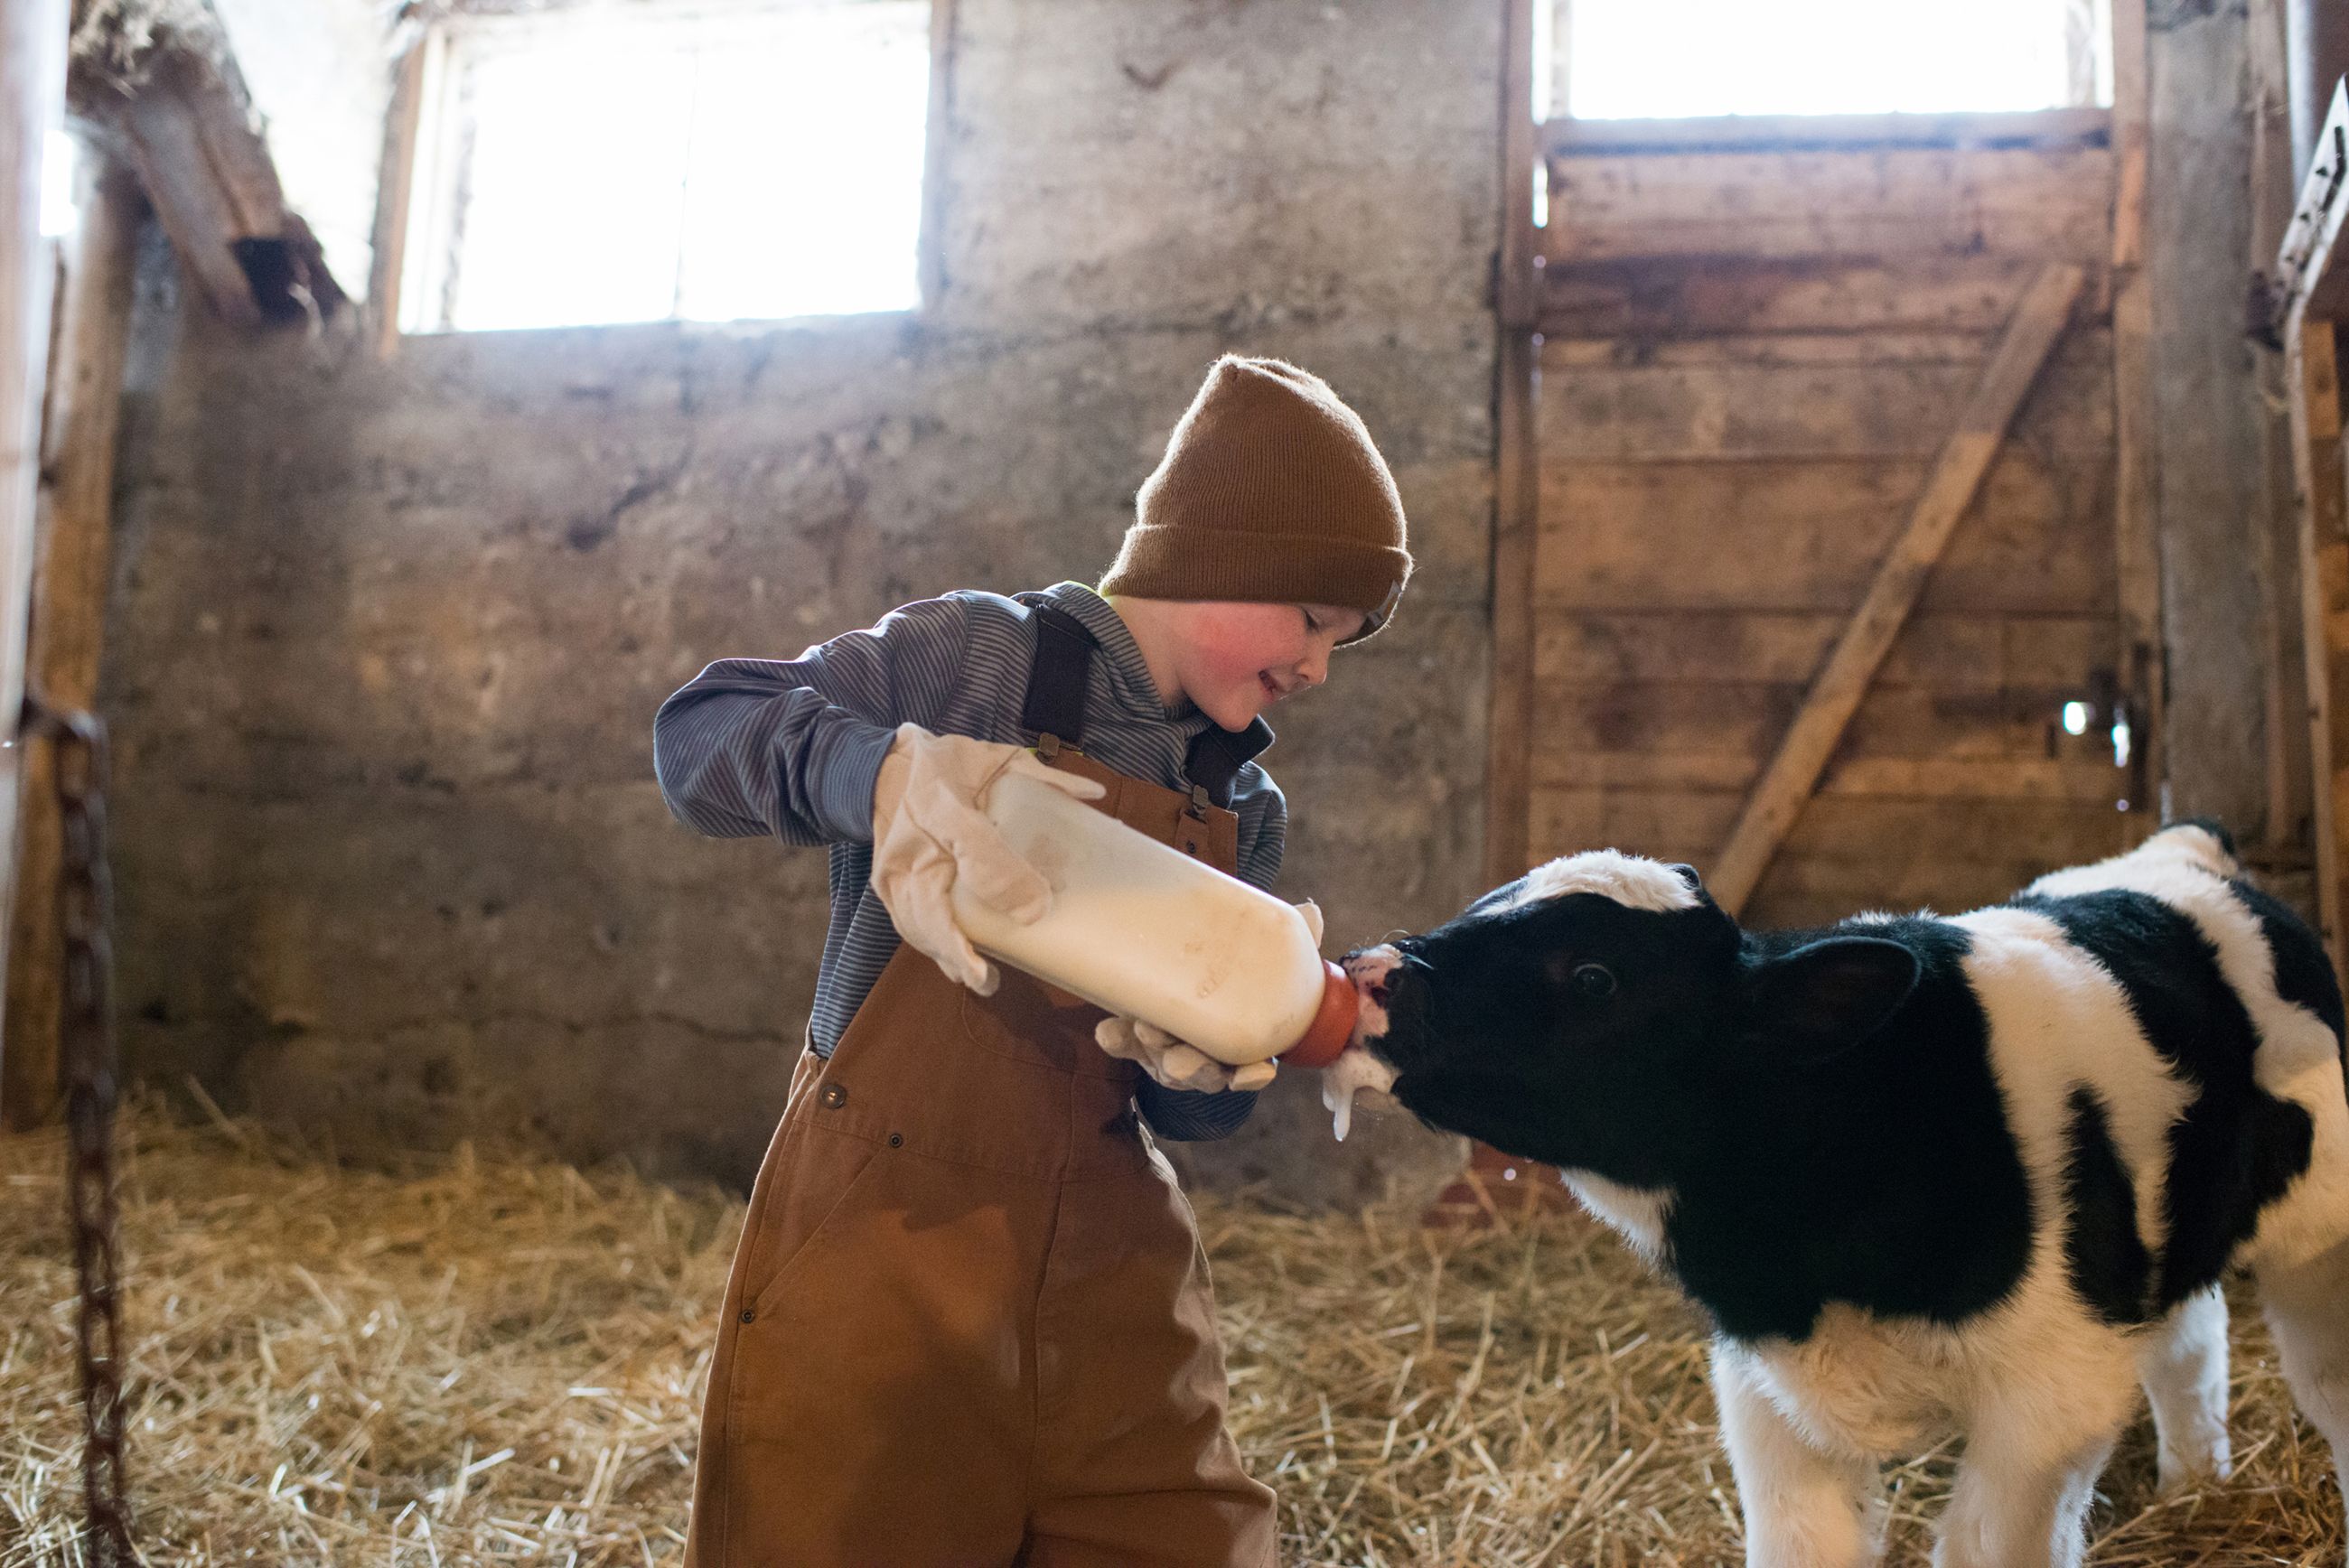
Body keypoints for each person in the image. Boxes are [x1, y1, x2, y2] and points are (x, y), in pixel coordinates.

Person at [653, 354, 1411, 1565]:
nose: (1319, 665)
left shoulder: (1242, 798)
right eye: (1314, 619)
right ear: (1219, 558)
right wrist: (886, 772)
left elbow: (1190, 1114)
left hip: (1109, 1250)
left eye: (1346, 643)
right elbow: (697, 738)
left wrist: (1206, 1075)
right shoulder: (978, 659)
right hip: (889, 1229)